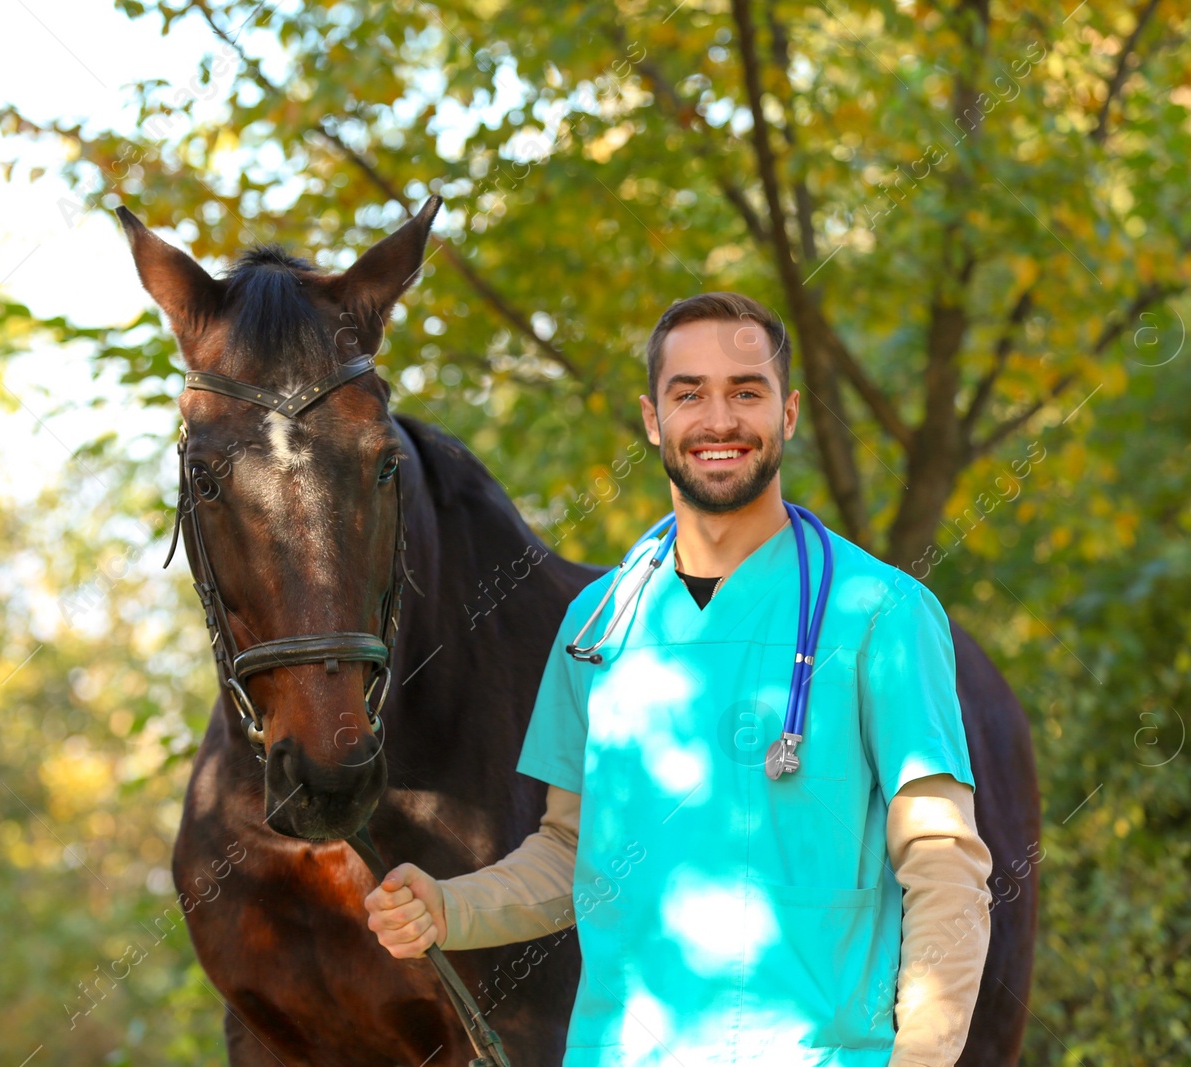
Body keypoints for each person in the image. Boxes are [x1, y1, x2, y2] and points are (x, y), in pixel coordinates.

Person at [363, 293, 993, 1067]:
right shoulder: (598, 627)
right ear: (654, 419)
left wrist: (923, 1057)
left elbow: (943, 862)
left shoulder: (880, 614)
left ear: (788, 413)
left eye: (746, 391)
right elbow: (569, 850)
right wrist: (450, 905)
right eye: (689, 392)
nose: (718, 419)